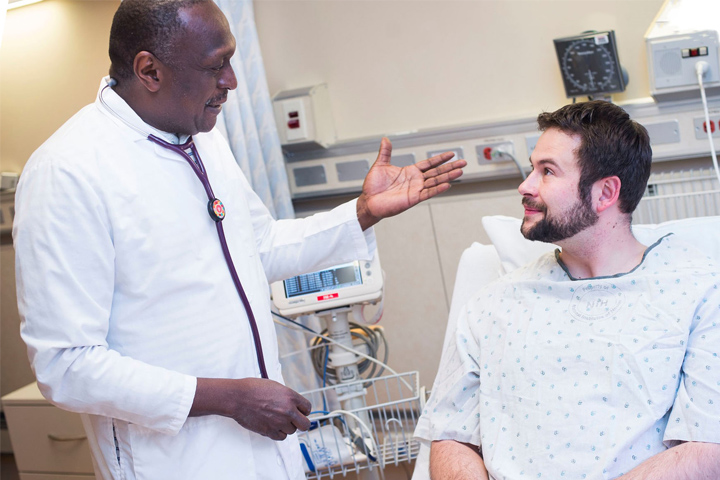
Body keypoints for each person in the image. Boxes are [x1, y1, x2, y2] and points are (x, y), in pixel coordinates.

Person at [12, 1, 466, 479]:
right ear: (149, 70)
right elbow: (66, 366)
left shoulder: (202, 135)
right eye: (215, 66)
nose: (231, 81)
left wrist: (363, 211)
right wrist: (228, 398)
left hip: (264, 446)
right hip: (172, 461)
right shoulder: (68, 173)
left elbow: (260, 247)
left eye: (231, 60)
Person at [415, 100, 720, 479]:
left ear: (606, 192)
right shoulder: (491, 306)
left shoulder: (701, 293)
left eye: (547, 172)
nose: (524, 186)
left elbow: (708, 446)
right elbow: (450, 437)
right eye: (532, 168)